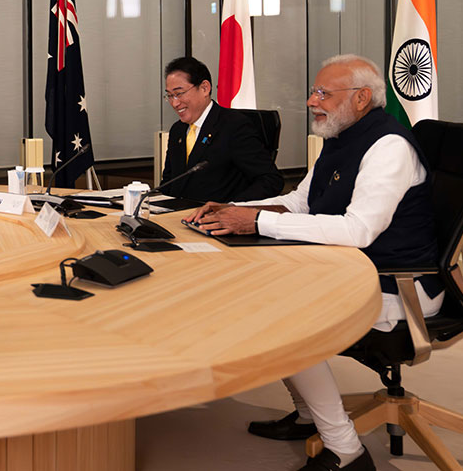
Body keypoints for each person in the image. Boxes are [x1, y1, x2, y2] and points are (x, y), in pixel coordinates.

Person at [188, 54, 444, 471]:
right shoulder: (340, 137)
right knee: (255, 294)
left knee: (286, 319)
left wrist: (256, 220)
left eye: (323, 93)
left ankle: (347, 450)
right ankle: (308, 414)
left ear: (362, 98)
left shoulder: (388, 148)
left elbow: (358, 230)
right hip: (354, 273)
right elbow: (299, 203)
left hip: (402, 288)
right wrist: (234, 208)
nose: (311, 101)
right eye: (313, 91)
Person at [160, 56, 282, 202]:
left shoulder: (234, 125)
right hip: (176, 217)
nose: (175, 103)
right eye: (170, 95)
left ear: (205, 88)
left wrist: (232, 208)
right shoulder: (177, 130)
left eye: (179, 94)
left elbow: (270, 180)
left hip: (215, 219)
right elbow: (169, 182)